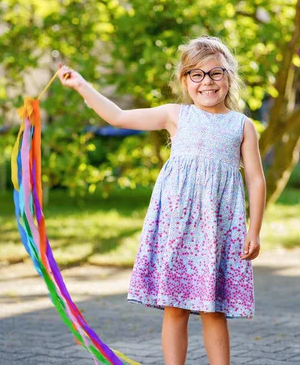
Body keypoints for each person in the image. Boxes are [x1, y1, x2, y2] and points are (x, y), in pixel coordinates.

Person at [58, 35, 266, 365]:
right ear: (185, 80)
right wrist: (82, 85)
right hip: (177, 228)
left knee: (212, 310)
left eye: (215, 73)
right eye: (196, 74)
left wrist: (254, 231)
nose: (207, 82)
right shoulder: (175, 115)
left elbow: (255, 179)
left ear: (229, 76)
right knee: (175, 307)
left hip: (217, 230)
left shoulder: (242, 126)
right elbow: (118, 117)